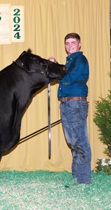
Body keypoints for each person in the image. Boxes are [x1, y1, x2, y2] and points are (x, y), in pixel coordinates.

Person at [49, 33, 91, 186]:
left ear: (79, 44)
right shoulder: (71, 60)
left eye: (73, 43)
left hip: (75, 103)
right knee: (73, 141)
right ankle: (77, 176)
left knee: (80, 141)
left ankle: (84, 180)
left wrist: (54, 67)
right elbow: (66, 75)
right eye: (67, 43)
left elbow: (66, 79)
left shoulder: (79, 59)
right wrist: (58, 65)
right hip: (68, 103)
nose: (70, 46)